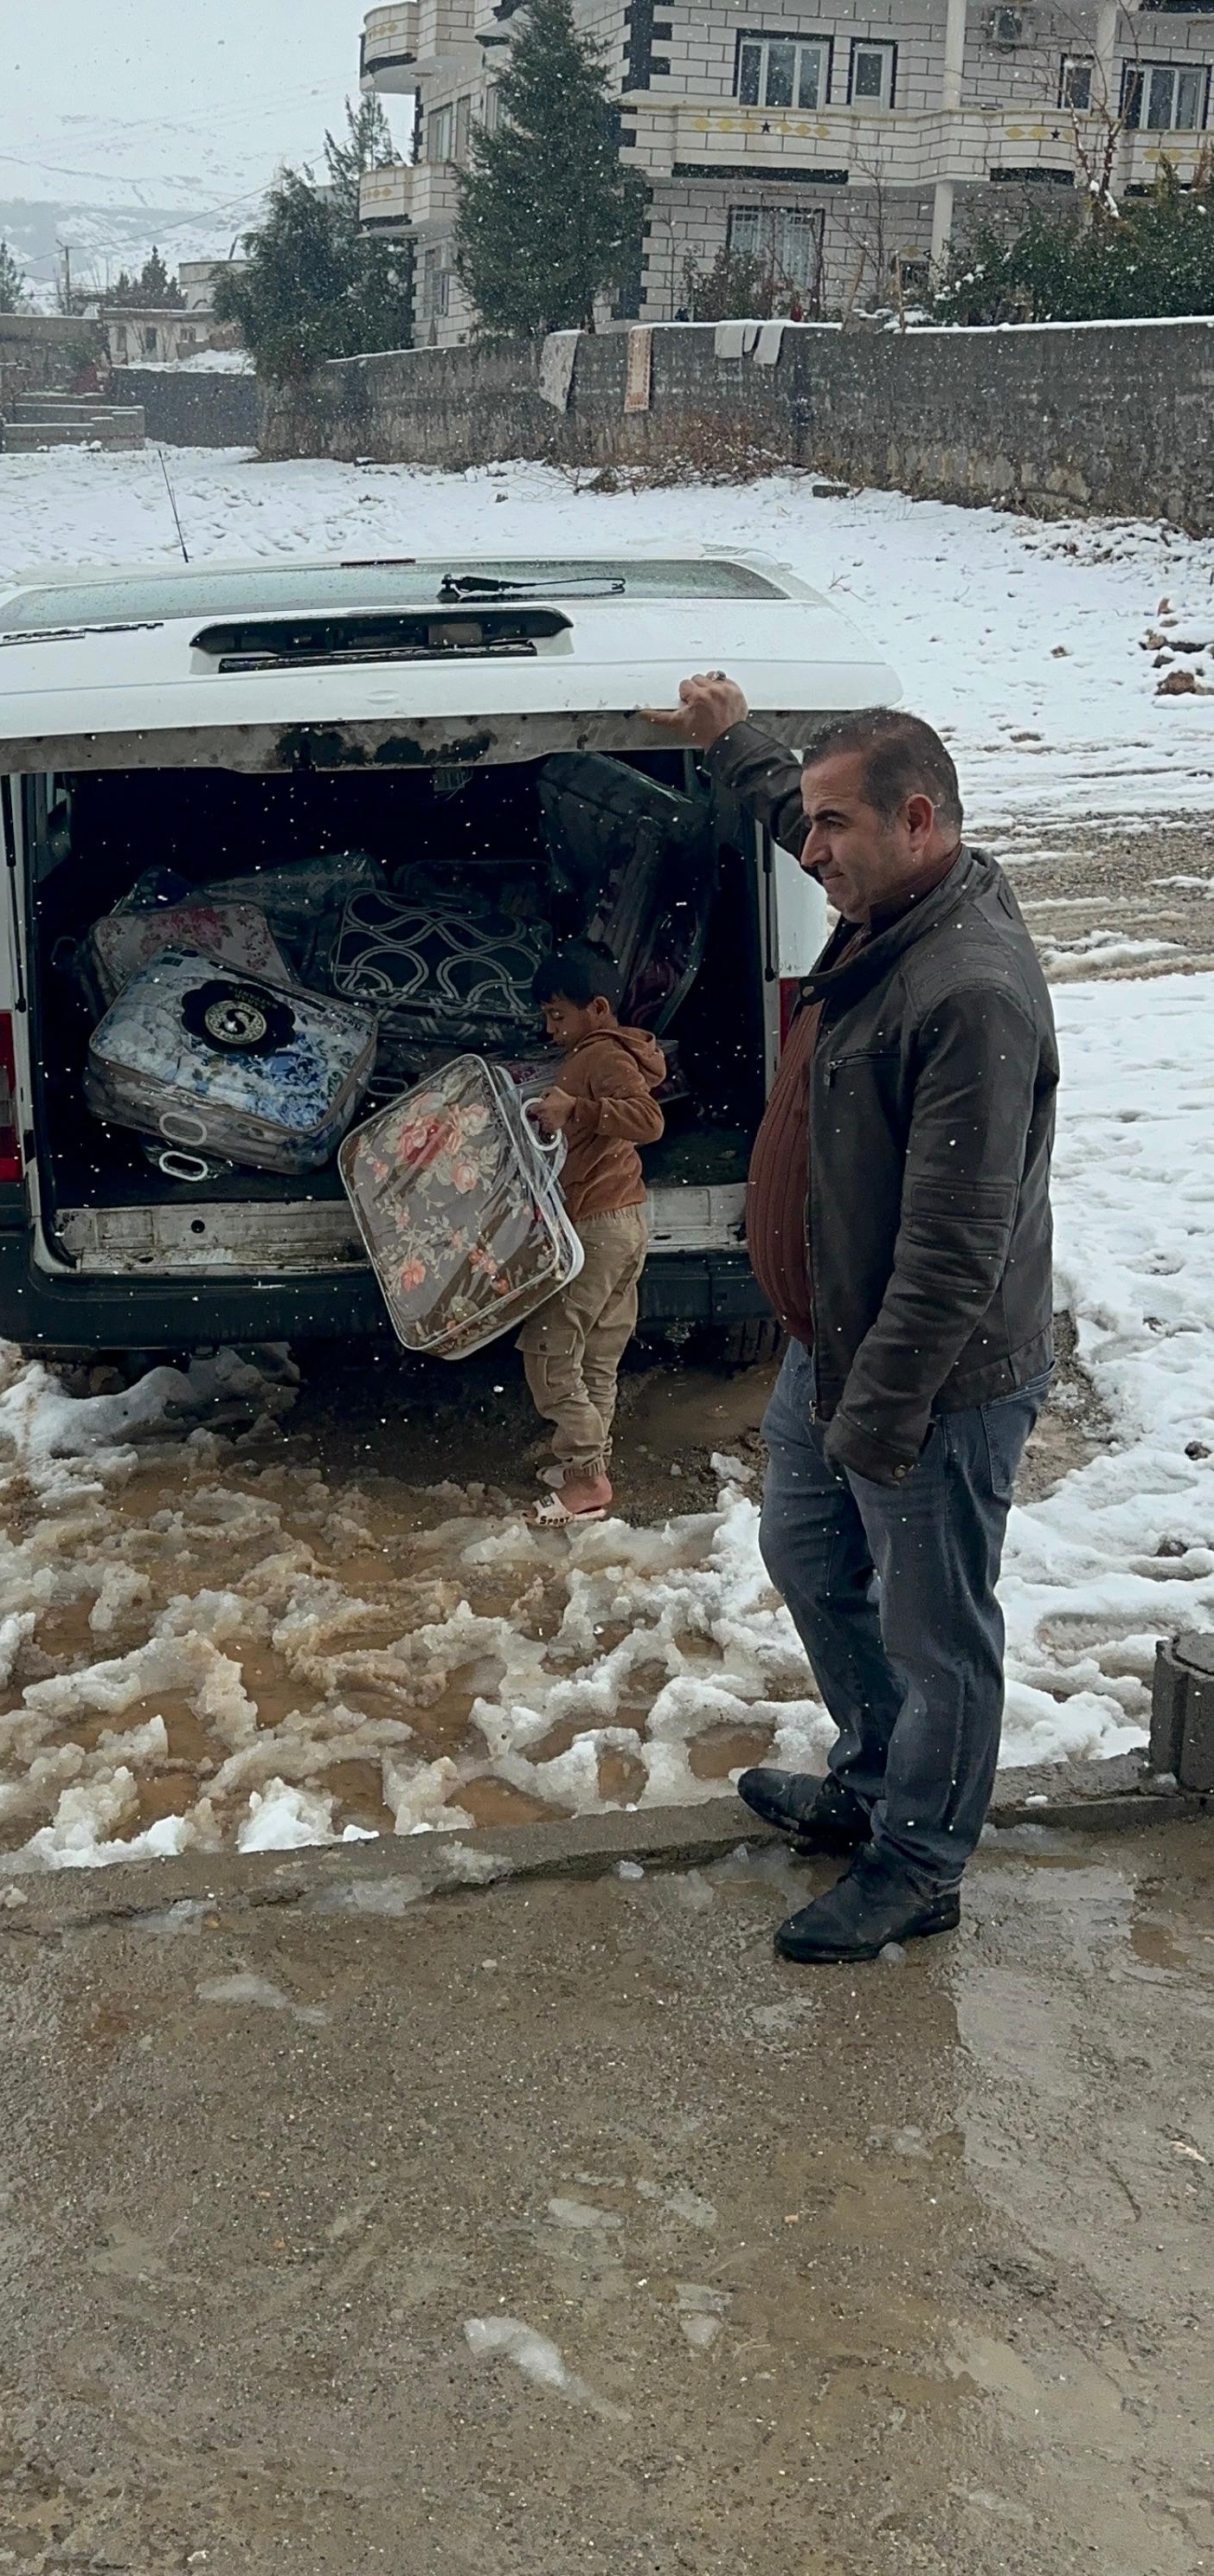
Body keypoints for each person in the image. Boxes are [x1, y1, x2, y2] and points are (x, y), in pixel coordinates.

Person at [643, 679, 1057, 1964]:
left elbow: (954, 1249)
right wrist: (734, 742)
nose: (810, 849)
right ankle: (876, 1777)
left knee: (940, 1635)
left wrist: (878, 1420)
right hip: (836, 1345)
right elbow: (797, 806)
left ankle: (921, 1862)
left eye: (834, 827)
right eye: (810, 822)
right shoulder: (893, 899)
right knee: (810, 1556)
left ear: (917, 820)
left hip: (932, 1379)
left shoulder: (967, 989)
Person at [518, 943, 666, 1526]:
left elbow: (649, 1121)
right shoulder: (600, 1051)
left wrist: (575, 1109)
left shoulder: (603, 1055)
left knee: (550, 1351)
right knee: (598, 1357)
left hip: (597, 1226)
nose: (550, 1029)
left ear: (598, 1008)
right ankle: (587, 1471)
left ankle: (585, 1478)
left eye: (558, 1015)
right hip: (623, 1220)